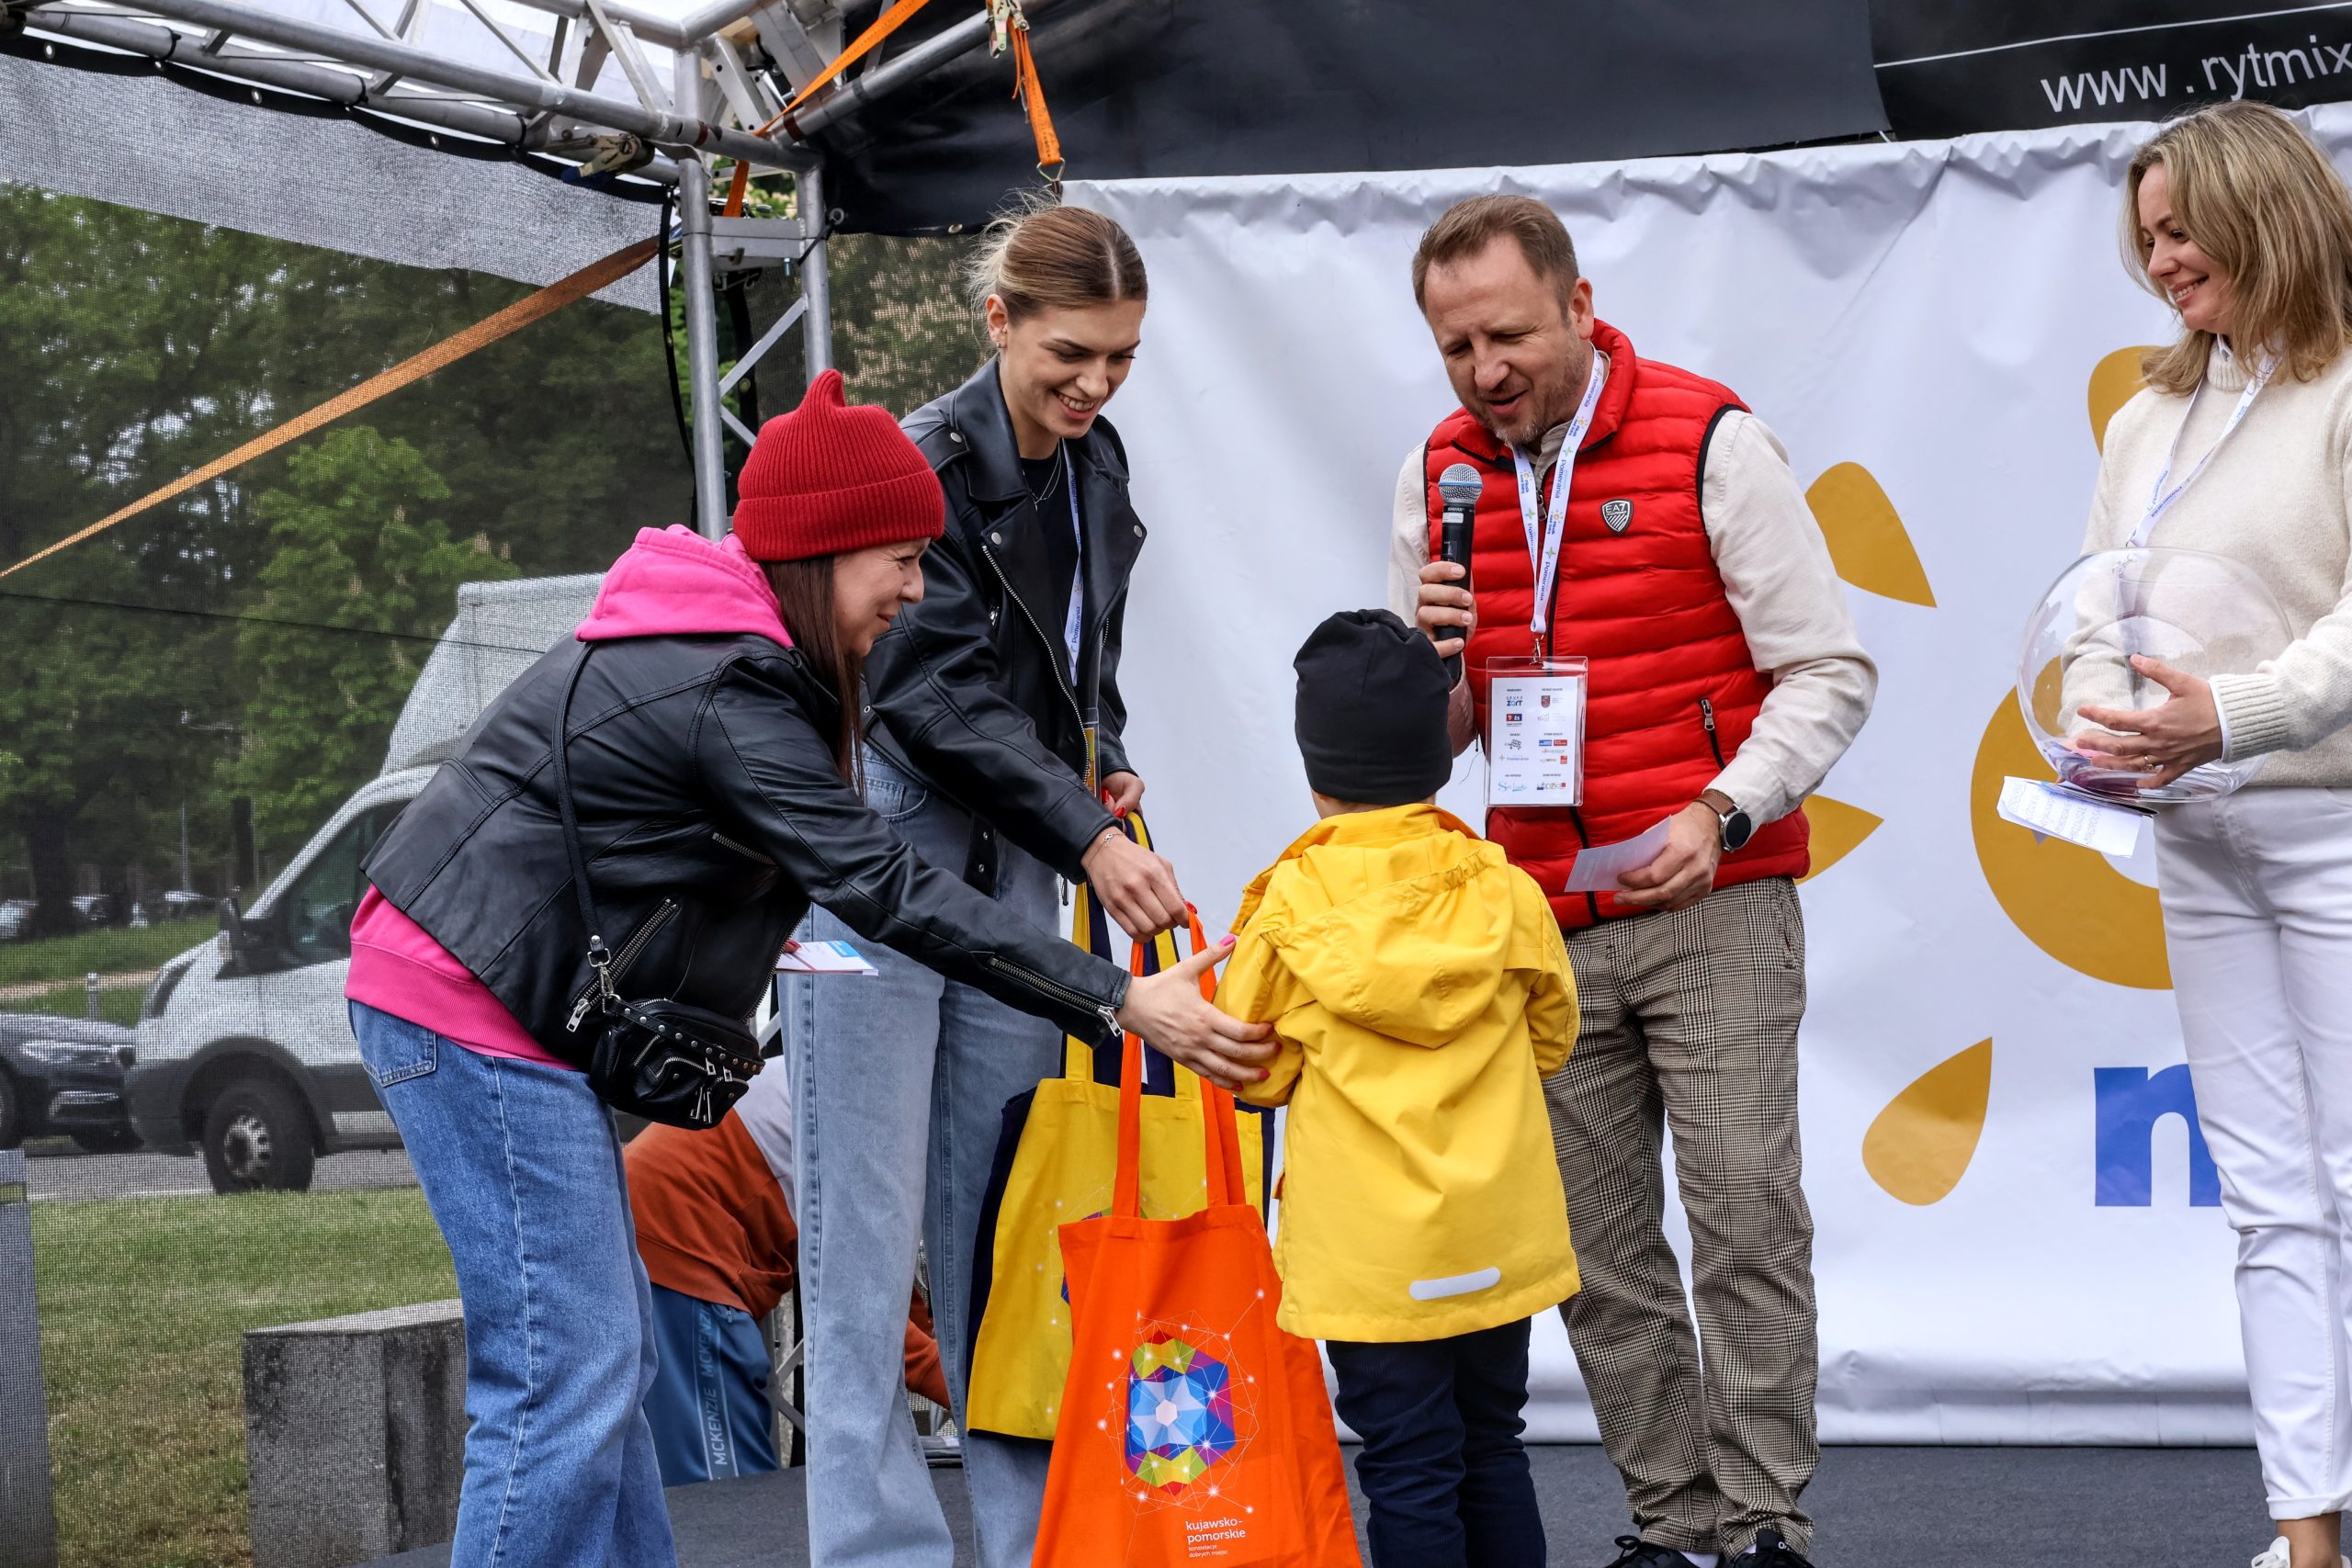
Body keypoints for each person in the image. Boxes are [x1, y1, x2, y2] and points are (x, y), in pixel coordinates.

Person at [343, 368, 1270, 1568]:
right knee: (563, 1375)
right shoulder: (731, 685)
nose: (917, 588)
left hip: (491, 1002)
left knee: (603, 1362)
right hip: (459, 1004)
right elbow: (883, 882)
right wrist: (1118, 995)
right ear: (823, 552)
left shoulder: (740, 656)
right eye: (902, 559)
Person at [1394, 195, 1876, 1568]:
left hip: (1713, 897)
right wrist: (1428, 668)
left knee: (1744, 1217)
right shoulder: (1439, 474)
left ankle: (1765, 1524)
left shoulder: (1710, 439)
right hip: (1543, 915)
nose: (1484, 370)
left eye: (1507, 334)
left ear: (1580, 306)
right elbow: (1429, 747)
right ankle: (1674, 1522)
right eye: (1455, 346)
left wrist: (1722, 813)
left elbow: (1828, 670)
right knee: (1597, 1247)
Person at [784, 200, 1185, 1568]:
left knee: (1010, 1248)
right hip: (883, 870)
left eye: (1120, 358)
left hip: (1015, 870)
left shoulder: (1097, 462)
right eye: (1072, 353)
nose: (1096, 383)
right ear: (999, 319)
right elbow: (923, 692)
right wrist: (1088, 832)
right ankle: (875, 1552)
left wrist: (1099, 762)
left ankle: (1035, 1545)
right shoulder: (919, 464)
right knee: (859, 1247)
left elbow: (1074, 665)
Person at [2071, 101, 2352, 1568]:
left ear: (2266, 213)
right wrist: (2105, 729)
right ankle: (2307, 1535)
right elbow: (2102, 605)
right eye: (2151, 238)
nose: (2165, 259)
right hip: (2199, 835)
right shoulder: (2145, 417)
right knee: (2265, 1201)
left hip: (2335, 826)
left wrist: (2229, 715)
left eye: (2185, 230)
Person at [1217, 608, 1579, 1568]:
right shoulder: (1506, 890)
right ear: (1437, 760)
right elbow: (1552, 1039)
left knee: (1409, 1465)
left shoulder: (1290, 904)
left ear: (1315, 770)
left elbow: (1254, 1067)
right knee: (1492, 1443)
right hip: (1495, 1230)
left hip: (1370, 1254)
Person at [623, 1065, 952, 1486]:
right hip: (678, 1243)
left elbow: (883, 1278)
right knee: (727, 1489)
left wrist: (940, 1351)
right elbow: (867, 1314)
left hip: (663, 1233)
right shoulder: (870, 1120)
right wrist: (979, 1403)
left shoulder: (862, 1081)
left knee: (702, 1474)